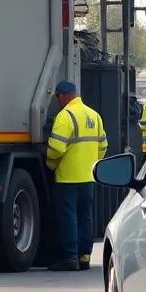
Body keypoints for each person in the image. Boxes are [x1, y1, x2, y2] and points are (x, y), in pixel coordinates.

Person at [46, 81, 108, 272]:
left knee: (69, 217)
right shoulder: (93, 115)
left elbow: (56, 148)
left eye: (57, 97)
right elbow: (103, 146)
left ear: (64, 96)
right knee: (85, 217)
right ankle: (84, 257)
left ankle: (69, 257)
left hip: (68, 178)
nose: (57, 101)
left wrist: (51, 164)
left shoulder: (65, 116)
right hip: (89, 177)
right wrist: (91, 164)